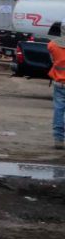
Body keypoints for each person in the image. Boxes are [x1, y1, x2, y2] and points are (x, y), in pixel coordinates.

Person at [49, 22, 65, 151]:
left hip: (60, 83)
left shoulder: (53, 45)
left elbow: (52, 60)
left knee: (59, 110)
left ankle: (59, 139)